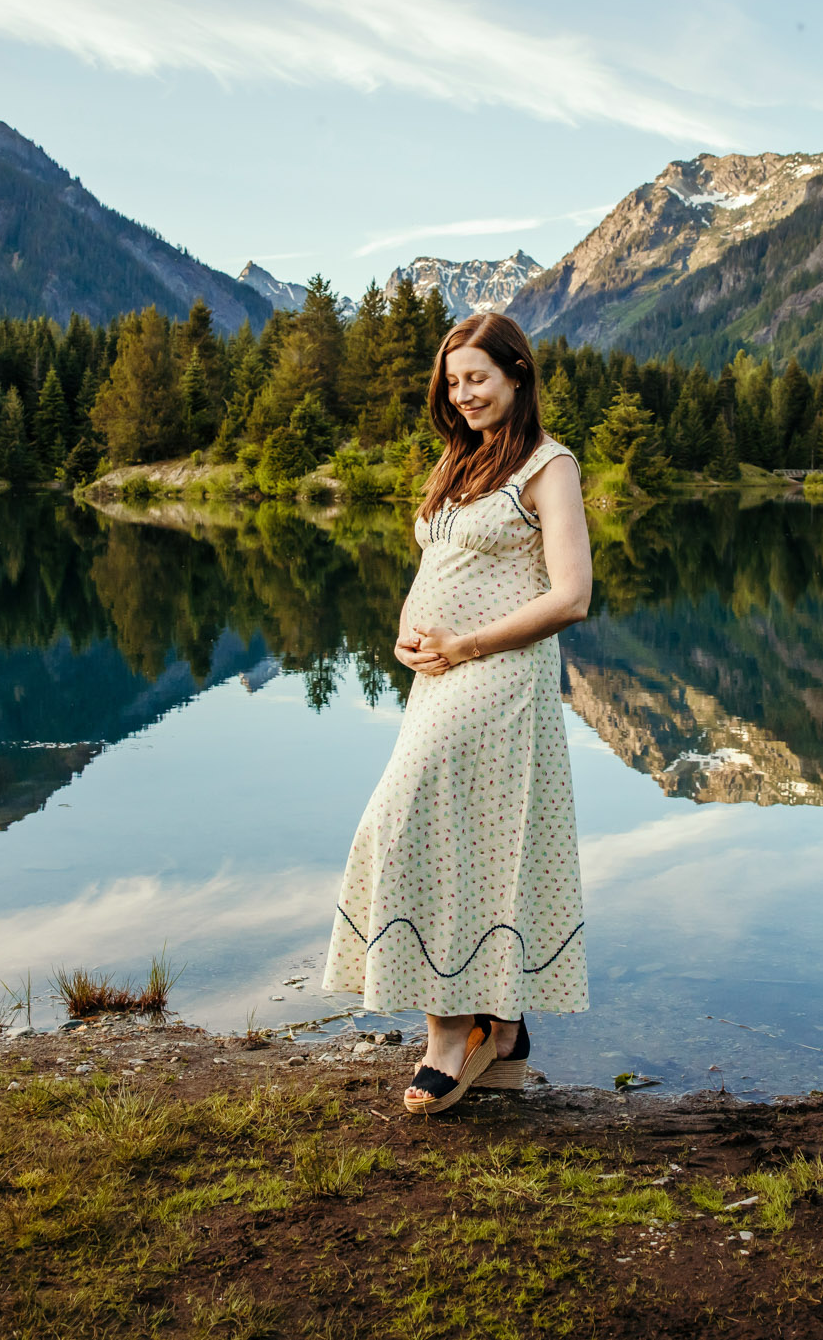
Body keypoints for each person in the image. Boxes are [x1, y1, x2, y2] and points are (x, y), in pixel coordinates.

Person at [320, 313, 593, 1115]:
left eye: (477, 376)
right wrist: (409, 637)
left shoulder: (550, 466)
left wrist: (466, 643)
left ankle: (451, 1033)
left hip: (499, 678)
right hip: (439, 680)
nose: (463, 392)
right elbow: (443, 560)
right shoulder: (461, 461)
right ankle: (501, 1027)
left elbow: (571, 595)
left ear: (517, 374)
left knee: (405, 821)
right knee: (471, 837)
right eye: (452, 380)